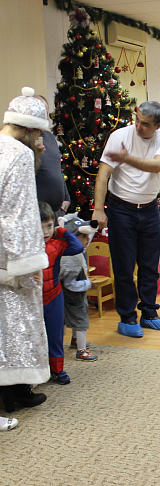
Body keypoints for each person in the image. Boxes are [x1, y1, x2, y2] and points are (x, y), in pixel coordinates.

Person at [92, 101, 160, 338]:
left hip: (149, 210)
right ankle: (128, 318)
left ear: (158, 125)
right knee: (124, 267)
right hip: (121, 210)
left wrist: (127, 159)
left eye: (145, 124)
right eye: (137, 120)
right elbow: (103, 175)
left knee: (150, 266)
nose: (138, 127)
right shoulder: (119, 136)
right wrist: (99, 209)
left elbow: (157, 166)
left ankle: (149, 314)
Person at [0, 87, 50, 429]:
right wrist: (26, 265)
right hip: (11, 262)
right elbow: (18, 216)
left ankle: (16, 394)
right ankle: (12, 395)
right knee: (15, 329)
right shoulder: (17, 154)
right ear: (31, 130)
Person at [40, 201, 84, 384]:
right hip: (33, 299)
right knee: (35, 337)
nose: (45, 232)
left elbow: (77, 247)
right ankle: (36, 374)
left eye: (49, 226)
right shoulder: (26, 248)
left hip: (54, 296)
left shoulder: (56, 244)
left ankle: (57, 370)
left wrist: (61, 230)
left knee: (56, 335)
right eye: (40, 227)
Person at [59, 215, 100, 362]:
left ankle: (75, 340)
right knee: (81, 320)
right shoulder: (70, 259)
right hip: (73, 295)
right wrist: (89, 284)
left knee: (76, 318)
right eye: (84, 237)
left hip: (76, 294)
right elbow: (70, 284)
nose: (87, 240)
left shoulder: (75, 249)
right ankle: (81, 351)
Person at [34, 95, 70, 216]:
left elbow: (57, 169)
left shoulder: (49, 137)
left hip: (56, 211)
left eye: (45, 112)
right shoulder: (23, 140)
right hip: (37, 212)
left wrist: (66, 196)